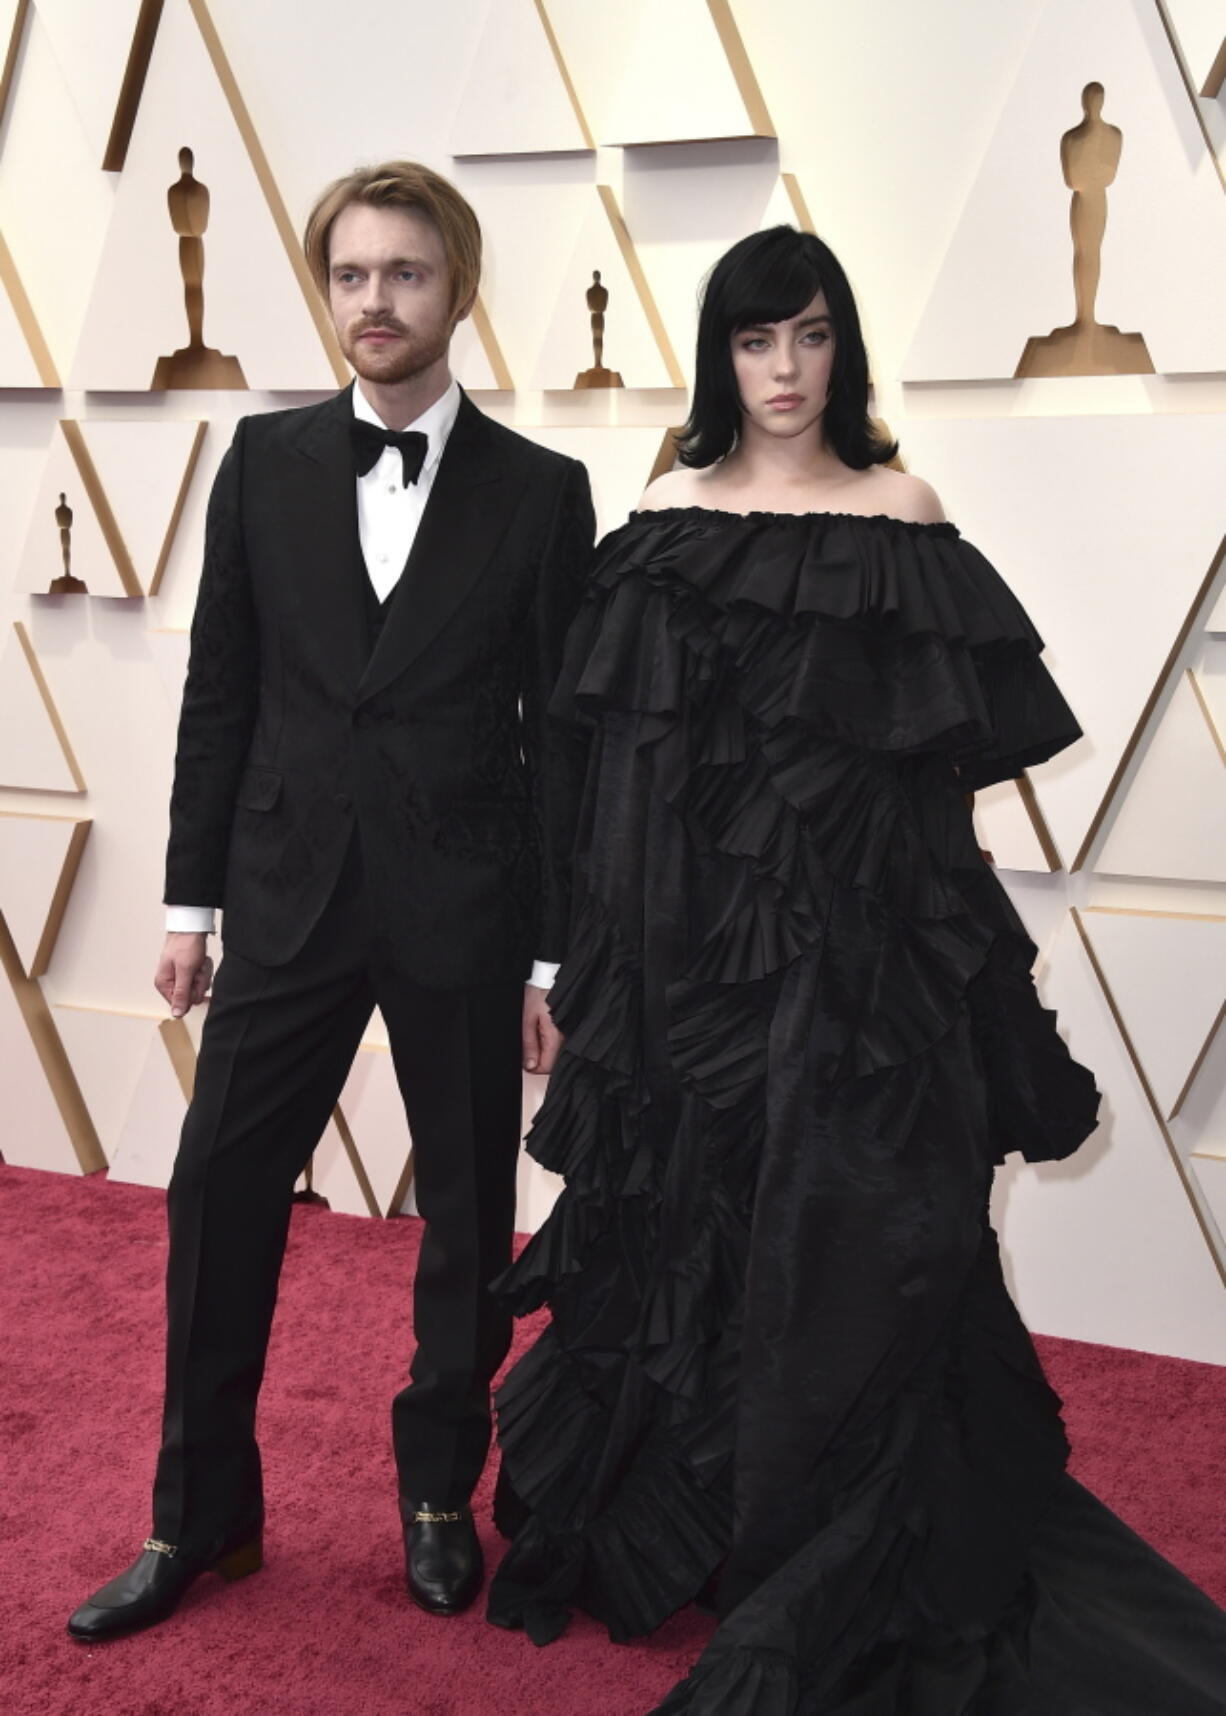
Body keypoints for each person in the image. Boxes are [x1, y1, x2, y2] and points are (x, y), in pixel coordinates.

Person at [485, 227, 1226, 1712]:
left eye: (809, 336)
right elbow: (619, 787)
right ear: (718, 356)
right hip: (688, 967)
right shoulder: (662, 516)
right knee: (692, 1229)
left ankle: (828, 1522)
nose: (781, 370)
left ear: (844, 349)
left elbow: (922, 805)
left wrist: (941, 995)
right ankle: (692, 1518)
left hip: (848, 974)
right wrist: (591, 975)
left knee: (860, 1233)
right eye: (755, 340)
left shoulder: (903, 513)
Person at [67, 160, 594, 1641]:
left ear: (457, 291)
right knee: (217, 1196)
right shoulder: (259, 461)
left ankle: (438, 1494)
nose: (376, 300)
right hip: (282, 891)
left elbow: (560, 733)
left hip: (467, 901)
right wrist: (186, 909)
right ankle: (199, 1520)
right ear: (329, 289)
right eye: (353, 274)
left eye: (406, 275)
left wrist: (559, 948)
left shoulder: (542, 493)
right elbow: (218, 692)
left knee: (463, 1217)